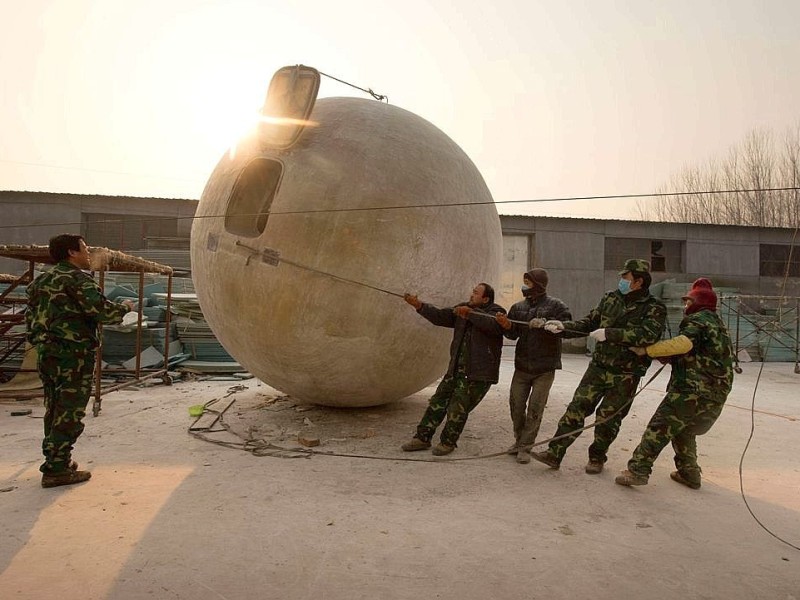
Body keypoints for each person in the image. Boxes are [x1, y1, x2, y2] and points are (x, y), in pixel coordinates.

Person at [531, 259, 667, 474]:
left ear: (639, 281)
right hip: (599, 367)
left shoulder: (654, 308)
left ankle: (597, 458)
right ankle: (554, 453)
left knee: (608, 419)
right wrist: (563, 327)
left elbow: (647, 335)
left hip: (626, 373)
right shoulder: (610, 298)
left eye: (626, 277)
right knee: (576, 409)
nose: (621, 280)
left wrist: (610, 333)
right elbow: (589, 323)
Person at [26, 234, 133, 488]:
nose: (88, 253)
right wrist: (125, 307)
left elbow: (31, 318)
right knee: (70, 411)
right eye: (84, 248)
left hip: (46, 353)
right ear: (72, 253)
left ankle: (57, 459)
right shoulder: (76, 280)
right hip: (72, 355)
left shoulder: (40, 282)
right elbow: (102, 312)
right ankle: (56, 469)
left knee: (54, 407)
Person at [615, 278, 734, 490]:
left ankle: (638, 470)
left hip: (692, 389)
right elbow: (696, 352)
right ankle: (689, 473)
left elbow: (684, 343)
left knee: (659, 427)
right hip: (717, 393)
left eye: (688, 301)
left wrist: (648, 350)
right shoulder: (718, 324)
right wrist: (669, 356)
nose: (685, 305)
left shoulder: (697, 319)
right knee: (684, 430)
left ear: (698, 302)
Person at [401, 283, 506, 456]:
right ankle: (422, 437)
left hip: (477, 374)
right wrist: (419, 306)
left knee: (458, 409)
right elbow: (440, 316)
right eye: (472, 291)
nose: (472, 295)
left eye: (476, 293)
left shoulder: (496, 312)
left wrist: (470, 313)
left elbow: (492, 325)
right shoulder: (463, 309)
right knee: (437, 402)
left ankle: (447, 443)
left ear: (486, 298)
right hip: (455, 370)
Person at [495, 268, 571, 464]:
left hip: (545, 367)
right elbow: (512, 334)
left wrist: (548, 324)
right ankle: (520, 440)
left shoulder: (556, 306)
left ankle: (526, 446)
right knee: (516, 406)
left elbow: (567, 327)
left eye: (528, 283)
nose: (525, 286)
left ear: (538, 284)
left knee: (535, 408)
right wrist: (506, 325)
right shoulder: (518, 307)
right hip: (522, 366)